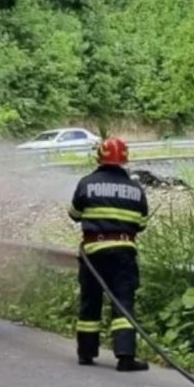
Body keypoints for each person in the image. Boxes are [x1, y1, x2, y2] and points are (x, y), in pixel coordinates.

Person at [68, 137, 150, 372]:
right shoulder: (136, 190)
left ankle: (86, 353)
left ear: (100, 158)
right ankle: (125, 357)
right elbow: (141, 223)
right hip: (123, 254)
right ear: (124, 160)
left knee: (90, 302)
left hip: (93, 253)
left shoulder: (86, 183)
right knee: (123, 303)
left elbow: (74, 214)